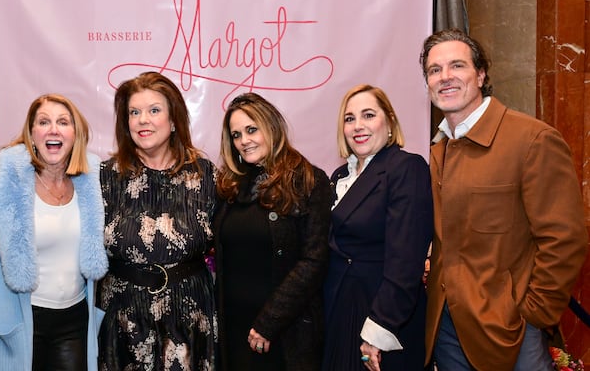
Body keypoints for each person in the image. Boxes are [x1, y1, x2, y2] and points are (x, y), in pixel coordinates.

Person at [420, 28, 588, 370]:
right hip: (447, 324)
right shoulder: (439, 150)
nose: (445, 77)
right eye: (434, 70)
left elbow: (565, 238)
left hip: (511, 329)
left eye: (457, 66)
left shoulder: (531, 139)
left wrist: (533, 312)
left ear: (480, 74)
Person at [97, 71, 217, 371]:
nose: (142, 120)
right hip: (123, 317)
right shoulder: (104, 176)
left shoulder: (205, 175)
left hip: (188, 316)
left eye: (154, 110)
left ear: (174, 119)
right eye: (134, 112)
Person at [0, 94, 108, 371]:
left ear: (76, 134)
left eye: (63, 122)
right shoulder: (2, 186)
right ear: (31, 133)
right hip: (22, 318)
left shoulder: (93, 185)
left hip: (74, 321)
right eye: (44, 122)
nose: (53, 129)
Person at [213, 92, 332, 371]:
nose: (244, 141)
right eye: (236, 135)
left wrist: (269, 322)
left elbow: (314, 261)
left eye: (251, 130)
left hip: (284, 330)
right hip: (234, 324)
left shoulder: (308, 180)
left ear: (271, 127)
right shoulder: (230, 185)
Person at [321, 84, 433, 371]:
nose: (358, 126)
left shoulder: (406, 167)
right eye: (349, 118)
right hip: (341, 310)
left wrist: (378, 332)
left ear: (390, 121)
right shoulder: (339, 176)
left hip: (382, 318)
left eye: (368, 115)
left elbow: (406, 261)